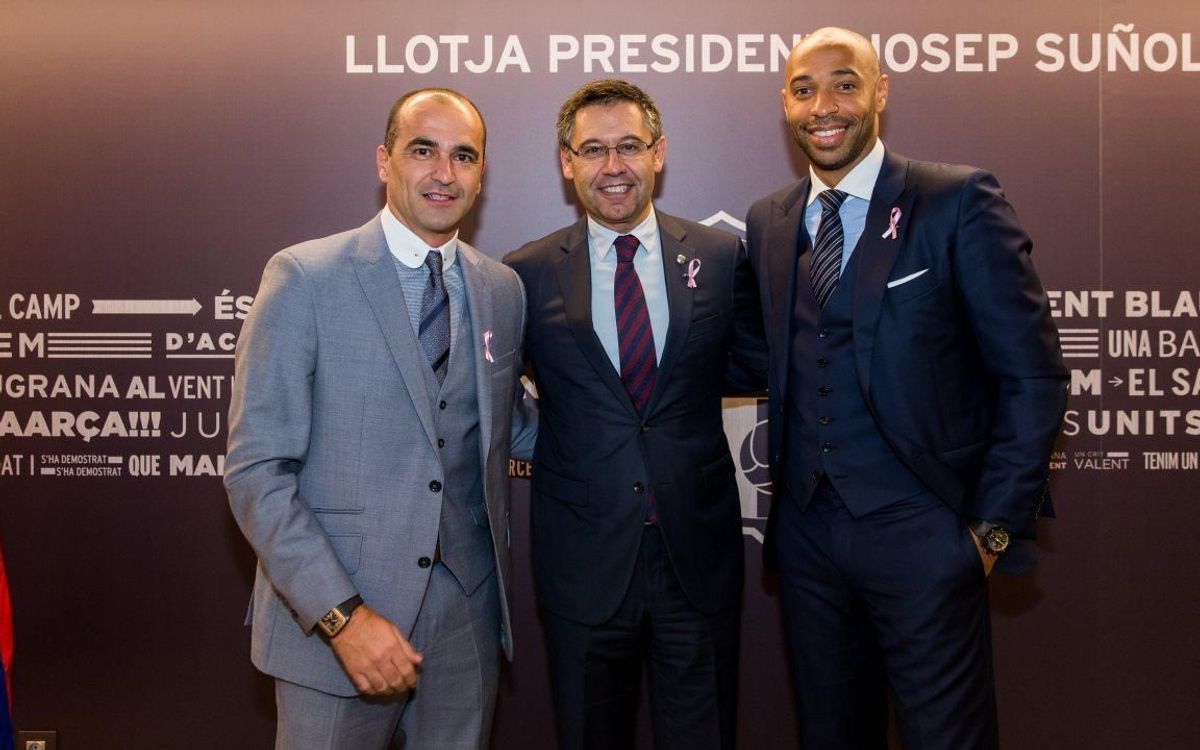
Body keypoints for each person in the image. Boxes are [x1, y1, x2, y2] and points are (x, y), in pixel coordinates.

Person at [744, 28, 1068, 750]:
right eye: (803, 89)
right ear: (785, 105)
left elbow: (1033, 375)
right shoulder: (770, 220)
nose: (824, 105)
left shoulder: (955, 200)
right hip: (806, 545)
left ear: (881, 92)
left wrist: (988, 533)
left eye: (845, 83)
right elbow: (753, 350)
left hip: (926, 536)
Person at [225, 88, 534, 750]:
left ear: (482, 174)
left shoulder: (500, 290)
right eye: (423, 150)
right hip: (334, 625)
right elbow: (256, 472)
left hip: (467, 620)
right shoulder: (305, 278)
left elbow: (509, 427)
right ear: (383, 160)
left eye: (464, 156)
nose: (444, 174)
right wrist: (343, 618)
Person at [504, 79, 766, 750]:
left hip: (696, 558)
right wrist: (561, 445)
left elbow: (757, 367)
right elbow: (496, 398)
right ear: (566, 162)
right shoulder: (526, 274)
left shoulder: (717, 254)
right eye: (593, 150)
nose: (612, 167)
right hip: (583, 564)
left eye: (628, 147)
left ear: (659, 153)